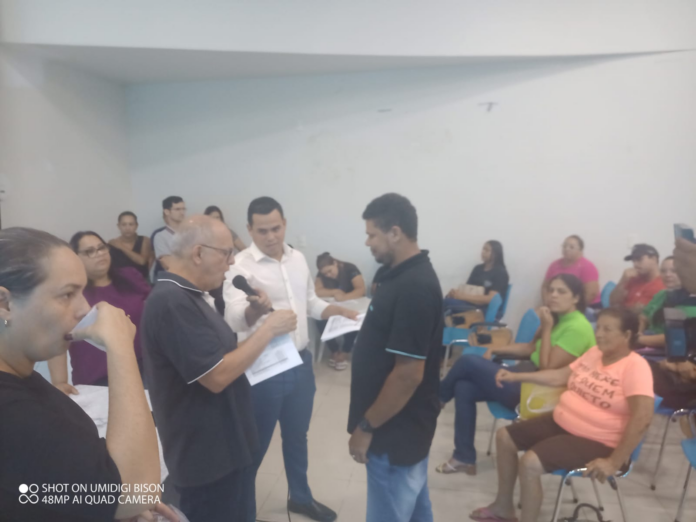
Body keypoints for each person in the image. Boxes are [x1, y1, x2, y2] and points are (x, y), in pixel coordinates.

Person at [0, 227, 168, 521]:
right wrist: (119, 347)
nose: (84, 309)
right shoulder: (9, 409)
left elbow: (52, 483)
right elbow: (137, 492)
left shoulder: (23, 376)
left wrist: (114, 511)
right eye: (67, 294)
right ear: (5, 304)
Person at [142, 215, 297, 522]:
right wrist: (268, 330)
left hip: (227, 445)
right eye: (226, 253)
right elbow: (217, 375)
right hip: (206, 457)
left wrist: (254, 316)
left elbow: (218, 353)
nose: (232, 262)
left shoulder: (191, 296)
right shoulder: (171, 301)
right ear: (198, 253)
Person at [224, 197, 358, 522]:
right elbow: (234, 318)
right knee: (255, 445)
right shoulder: (240, 266)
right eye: (262, 231)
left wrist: (336, 310)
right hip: (264, 367)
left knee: (297, 436)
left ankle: (300, 497)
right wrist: (255, 309)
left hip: (300, 362)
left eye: (276, 228)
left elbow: (309, 302)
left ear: (284, 223)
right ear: (249, 229)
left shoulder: (297, 258)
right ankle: (240, 512)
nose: (271, 236)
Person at [471, 308, 654, 522]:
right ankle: (503, 508)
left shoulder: (635, 367)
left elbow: (642, 418)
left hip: (599, 441)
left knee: (530, 463)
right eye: (598, 328)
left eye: (607, 329)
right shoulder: (594, 353)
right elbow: (559, 376)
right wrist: (516, 376)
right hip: (562, 423)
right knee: (504, 437)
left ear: (627, 335)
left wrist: (614, 462)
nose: (599, 334)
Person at [437, 274, 595, 476]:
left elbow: (547, 367)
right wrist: (496, 349)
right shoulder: (557, 318)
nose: (553, 295)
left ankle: (437, 399)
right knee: (464, 388)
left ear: (576, 298)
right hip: (527, 376)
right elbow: (530, 348)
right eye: (551, 290)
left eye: (561, 291)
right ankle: (464, 457)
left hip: (542, 393)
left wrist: (547, 328)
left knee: (468, 361)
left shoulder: (577, 327)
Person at [347, 193, 443, 522]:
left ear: (395, 233)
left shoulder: (414, 287)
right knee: (415, 509)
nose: (367, 242)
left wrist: (366, 426)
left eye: (372, 234)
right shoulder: (398, 274)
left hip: (394, 431)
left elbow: (408, 375)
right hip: (401, 427)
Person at [47, 231, 150, 389]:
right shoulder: (72, 293)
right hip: (98, 378)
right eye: (90, 251)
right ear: (76, 257)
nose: (99, 254)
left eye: (101, 248)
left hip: (143, 366)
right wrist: (59, 382)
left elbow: (154, 312)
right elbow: (59, 336)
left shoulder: (130, 276)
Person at [315, 252, 366, 370]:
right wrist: (334, 292)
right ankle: (334, 350)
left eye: (330, 271)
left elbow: (361, 289)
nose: (328, 275)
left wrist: (344, 297)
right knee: (319, 317)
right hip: (334, 305)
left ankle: (345, 351)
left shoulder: (350, 268)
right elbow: (316, 291)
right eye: (325, 273)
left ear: (335, 263)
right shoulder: (322, 274)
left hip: (353, 304)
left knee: (352, 318)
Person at [638, 256, 696, 348]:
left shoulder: (691, 301)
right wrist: (639, 332)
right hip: (648, 342)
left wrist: (639, 339)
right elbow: (644, 316)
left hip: (675, 350)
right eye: (663, 271)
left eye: (674, 271)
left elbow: (678, 337)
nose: (667, 275)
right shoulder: (662, 294)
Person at [444, 240, 509, 316]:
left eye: (486, 250)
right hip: (471, 304)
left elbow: (491, 299)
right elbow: (467, 289)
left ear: (495, 254)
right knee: (446, 299)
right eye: (483, 249)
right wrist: (455, 293)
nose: (483, 252)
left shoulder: (500, 273)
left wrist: (461, 296)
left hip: (485, 309)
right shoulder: (478, 268)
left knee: (447, 303)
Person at [542, 235, 600, 307]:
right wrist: (547, 305)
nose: (567, 249)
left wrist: (571, 308)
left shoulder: (587, 267)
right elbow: (545, 287)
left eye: (571, 247)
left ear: (580, 250)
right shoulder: (554, 265)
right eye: (564, 246)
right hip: (559, 306)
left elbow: (591, 293)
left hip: (585, 306)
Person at [610, 243, 664, 312]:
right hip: (621, 316)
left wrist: (619, 309)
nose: (635, 264)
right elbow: (613, 302)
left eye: (639, 259)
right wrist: (622, 280)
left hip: (630, 318)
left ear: (654, 259)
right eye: (633, 261)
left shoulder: (661, 284)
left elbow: (637, 312)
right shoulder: (633, 278)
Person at [108, 211, 153, 280]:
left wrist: (120, 246)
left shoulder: (144, 240)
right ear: (118, 226)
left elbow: (142, 261)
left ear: (136, 225)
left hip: (142, 281)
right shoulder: (112, 244)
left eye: (131, 224)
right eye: (124, 224)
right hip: (120, 282)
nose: (127, 228)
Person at [151, 196, 186, 280]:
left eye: (183, 209)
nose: (182, 213)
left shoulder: (190, 233)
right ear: (167, 212)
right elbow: (167, 264)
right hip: (173, 280)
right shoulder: (160, 236)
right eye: (177, 209)